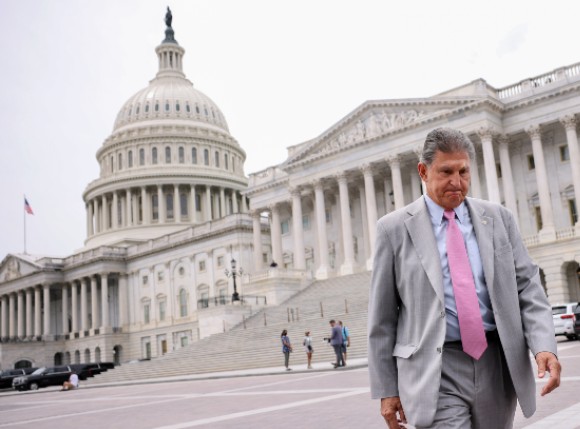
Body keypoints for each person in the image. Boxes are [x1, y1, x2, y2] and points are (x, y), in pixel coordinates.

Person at [368, 127, 561, 429]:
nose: (456, 182)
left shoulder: (499, 218)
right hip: (435, 367)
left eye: (463, 172)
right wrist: (386, 389)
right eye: (446, 172)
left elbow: (528, 287)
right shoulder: (392, 230)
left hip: (496, 361)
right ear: (423, 171)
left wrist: (544, 345)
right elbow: (381, 320)